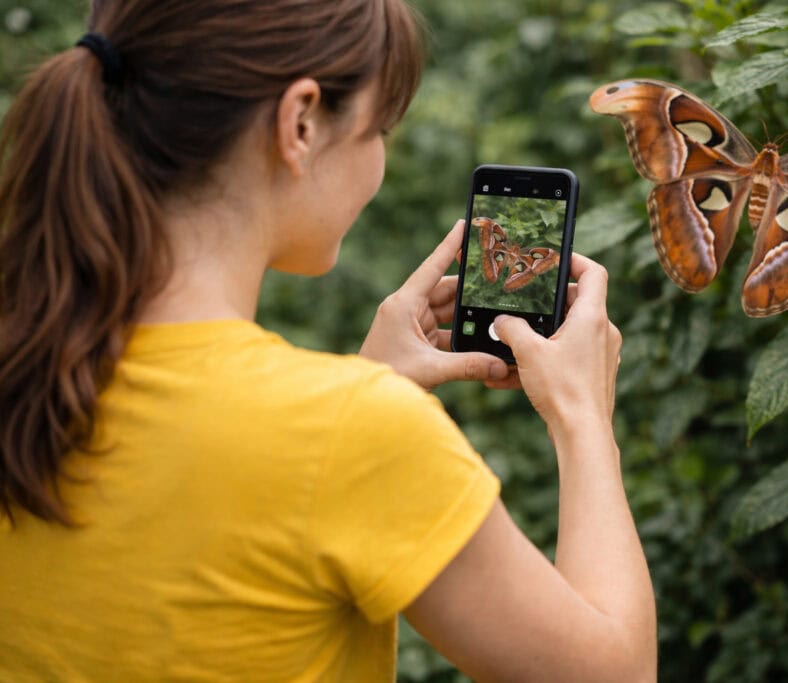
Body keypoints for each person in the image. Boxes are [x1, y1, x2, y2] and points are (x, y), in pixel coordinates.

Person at [0, 1, 657, 681]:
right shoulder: (354, 434)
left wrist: (363, 388)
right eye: (381, 128)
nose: (379, 161)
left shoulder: (26, 365)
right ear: (302, 123)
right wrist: (581, 413)